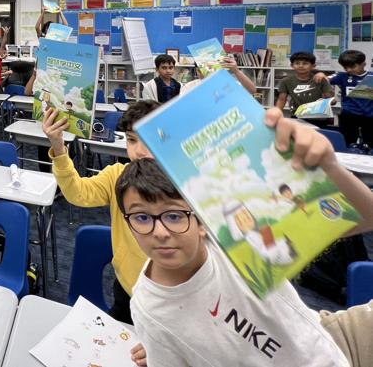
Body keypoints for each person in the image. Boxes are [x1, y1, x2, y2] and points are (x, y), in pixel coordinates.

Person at [119, 112, 373, 367]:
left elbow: (366, 216)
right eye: (142, 218)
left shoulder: (234, 244)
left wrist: (328, 167)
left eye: (174, 216)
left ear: (202, 222)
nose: (160, 232)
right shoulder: (150, 309)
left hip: (326, 336)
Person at [43, 100, 159, 328]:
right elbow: (78, 193)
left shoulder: (185, 185)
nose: (139, 151)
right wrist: (58, 147)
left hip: (174, 301)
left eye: (150, 140)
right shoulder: (119, 176)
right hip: (128, 290)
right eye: (131, 140)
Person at [314, 49, 373, 148]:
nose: (348, 70)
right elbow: (324, 79)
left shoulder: (371, 76)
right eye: (345, 67)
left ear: (363, 64)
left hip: (369, 117)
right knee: (347, 142)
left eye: (352, 66)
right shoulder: (342, 76)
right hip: (348, 115)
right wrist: (320, 74)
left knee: (370, 143)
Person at [276, 51, 334, 116]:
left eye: (305, 63)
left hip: (319, 116)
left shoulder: (320, 79)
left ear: (313, 66)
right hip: (297, 115)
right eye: (297, 63)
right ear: (292, 66)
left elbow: (332, 101)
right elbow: (281, 100)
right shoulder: (286, 81)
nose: (301, 66)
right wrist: (276, 115)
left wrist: (326, 81)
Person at [181, 56, 257, 96]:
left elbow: (252, 90)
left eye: (211, 68)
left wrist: (236, 71)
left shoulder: (226, 84)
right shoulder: (189, 87)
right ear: (197, 71)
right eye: (200, 70)